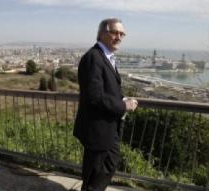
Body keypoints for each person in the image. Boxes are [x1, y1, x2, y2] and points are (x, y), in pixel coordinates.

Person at [73, 17, 138, 191]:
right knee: (96, 174)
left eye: (122, 34)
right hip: (97, 130)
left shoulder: (106, 57)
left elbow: (107, 90)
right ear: (102, 33)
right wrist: (124, 106)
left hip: (107, 128)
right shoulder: (93, 58)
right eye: (115, 32)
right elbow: (94, 96)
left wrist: (121, 99)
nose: (119, 37)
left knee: (106, 168)